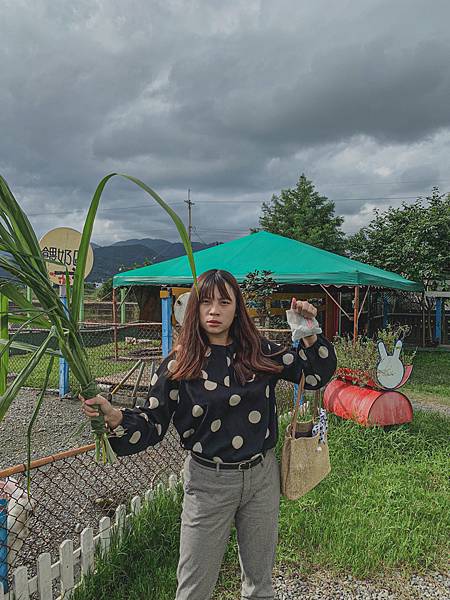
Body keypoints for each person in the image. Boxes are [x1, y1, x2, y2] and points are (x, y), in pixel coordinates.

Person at [81, 269, 337, 600]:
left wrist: (309, 332)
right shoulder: (179, 363)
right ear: (194, 309)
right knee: (193, 589)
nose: (214, 311)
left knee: (260, 584)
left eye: (224, 302)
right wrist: (116, 416)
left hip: (262, 477)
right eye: (206, 302)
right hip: (207, 484)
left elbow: (315, 376)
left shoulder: (259, 352)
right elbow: (152, 423)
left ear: (237, 308)